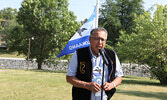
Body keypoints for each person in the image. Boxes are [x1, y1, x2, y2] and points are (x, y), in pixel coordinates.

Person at [66, 27, 123, 100]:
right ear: (90, 39)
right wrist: (86, 85)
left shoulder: (112, 55)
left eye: (102, 39)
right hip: (82, 96)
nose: (100, 42)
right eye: (97, 39)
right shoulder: (79, 53)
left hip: (104, 97)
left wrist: (112, 85)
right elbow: (69, 78)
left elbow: (119, 76)